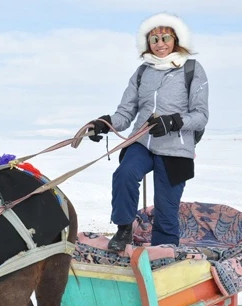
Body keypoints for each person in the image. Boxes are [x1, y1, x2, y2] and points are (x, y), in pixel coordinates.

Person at [86, 13, 209, 251]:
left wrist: (173, 121)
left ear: (176, 39)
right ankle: (123, 229)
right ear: (147, 44)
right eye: (154, 40)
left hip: (176, 147)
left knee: (165, 206)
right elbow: (125, 112)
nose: (160, 44)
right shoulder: (142, 72)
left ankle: (163, 252)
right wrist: (105, 123)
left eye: (165, 38)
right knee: (124, 174)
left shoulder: (191, 69)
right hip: (142, 142)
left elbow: (201, 115)